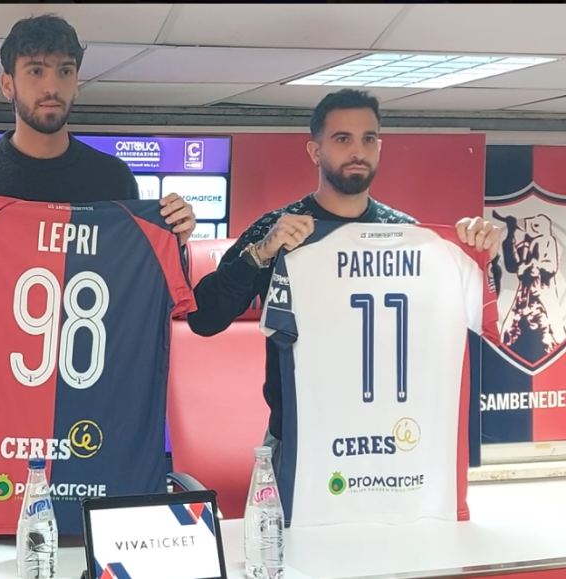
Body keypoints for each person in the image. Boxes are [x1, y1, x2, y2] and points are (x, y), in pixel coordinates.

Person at [185, 88, 502, 474]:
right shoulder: (276, 230)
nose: (357, 150)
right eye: (342, 139)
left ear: (380, 147)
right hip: (300, 440)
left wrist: (478, 254)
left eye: (368, 139)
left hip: (390, 440)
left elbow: (466, 316)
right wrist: (260, 253)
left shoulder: (407, 235)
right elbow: (203, 318)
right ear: (315, 151)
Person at [0, 13, 196, 325]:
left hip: (91, 354)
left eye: (65, 71)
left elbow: (144, 298)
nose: (52, 86)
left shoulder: (114, 179)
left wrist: (173, 244)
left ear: (77, 84)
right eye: (35, 71)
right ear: (7, 84)